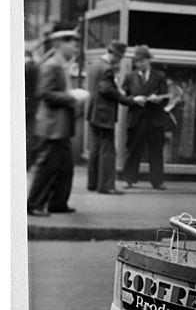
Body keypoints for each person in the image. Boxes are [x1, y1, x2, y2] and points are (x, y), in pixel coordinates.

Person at [27, 27, 86, 215]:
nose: (75, 46)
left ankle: (58, 203)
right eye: (71, 43)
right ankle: (34, 204)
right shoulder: (52, 65)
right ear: (59, 45)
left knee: (65, 169)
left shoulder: (60, 64)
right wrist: (71, 96)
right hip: (52, 126)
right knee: (47, 168)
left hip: (60, 127)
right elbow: (44, 93)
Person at [85, 39, 135, 194]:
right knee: (108, 150)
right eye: (119, 57)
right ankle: (106, 186)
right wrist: (128, 100)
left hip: (93, 111)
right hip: (103, 114)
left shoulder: (94, 65)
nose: (118, 61)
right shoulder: (107, 69)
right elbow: (106, 89)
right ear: (114, 54)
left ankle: (93, 183)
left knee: (95, 148)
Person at [121, 45, 169, 189]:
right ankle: (129, 179)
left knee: (156, 151)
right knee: (133, 150)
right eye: (136, 61)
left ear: (148, 61)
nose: (139, 64)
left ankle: (157, 181)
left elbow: (166, 97)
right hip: (136, 119)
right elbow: (123, 96)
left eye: (141, 61)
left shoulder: (159, 76)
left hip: (154, 119)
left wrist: (158, 99)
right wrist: (134, 99)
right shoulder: (129, 76)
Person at [24, 44, 41, 169]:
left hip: (22, 106)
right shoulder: (35, 68)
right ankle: (29, 162)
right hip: (33, 105)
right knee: (30, 135)